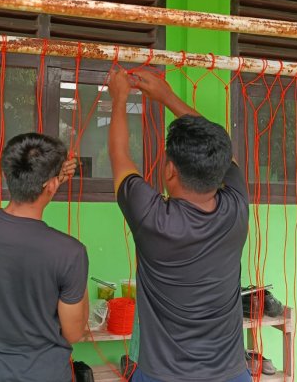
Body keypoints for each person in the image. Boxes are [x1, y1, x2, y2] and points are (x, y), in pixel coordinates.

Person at [107, 68, 250, 382]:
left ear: (169, 171)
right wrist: (168, 97)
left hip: (163, 376)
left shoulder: (153, 218)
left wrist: (118, 99)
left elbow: (119, 154)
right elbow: (221, 149)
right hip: (232, 375)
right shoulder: (237, 207)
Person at [0, 133, 89, 382]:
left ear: (4, 175)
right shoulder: (70, 252)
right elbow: (74, 333)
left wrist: (51, 180)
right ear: (51, 186)